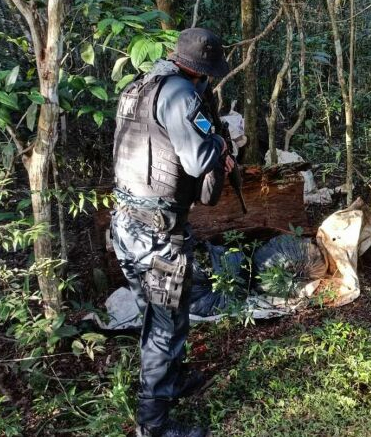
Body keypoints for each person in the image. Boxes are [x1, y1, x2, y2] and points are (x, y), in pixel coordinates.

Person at [111, 28, 234, 437]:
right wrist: (221, 143)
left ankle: (172, 381)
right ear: (201, 70)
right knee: (164, 323)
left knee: (159, 313)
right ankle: (154, 425)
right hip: (156, 236)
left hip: (126, 225)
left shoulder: (139, 86)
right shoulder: (182, 94)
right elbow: (199, 160)